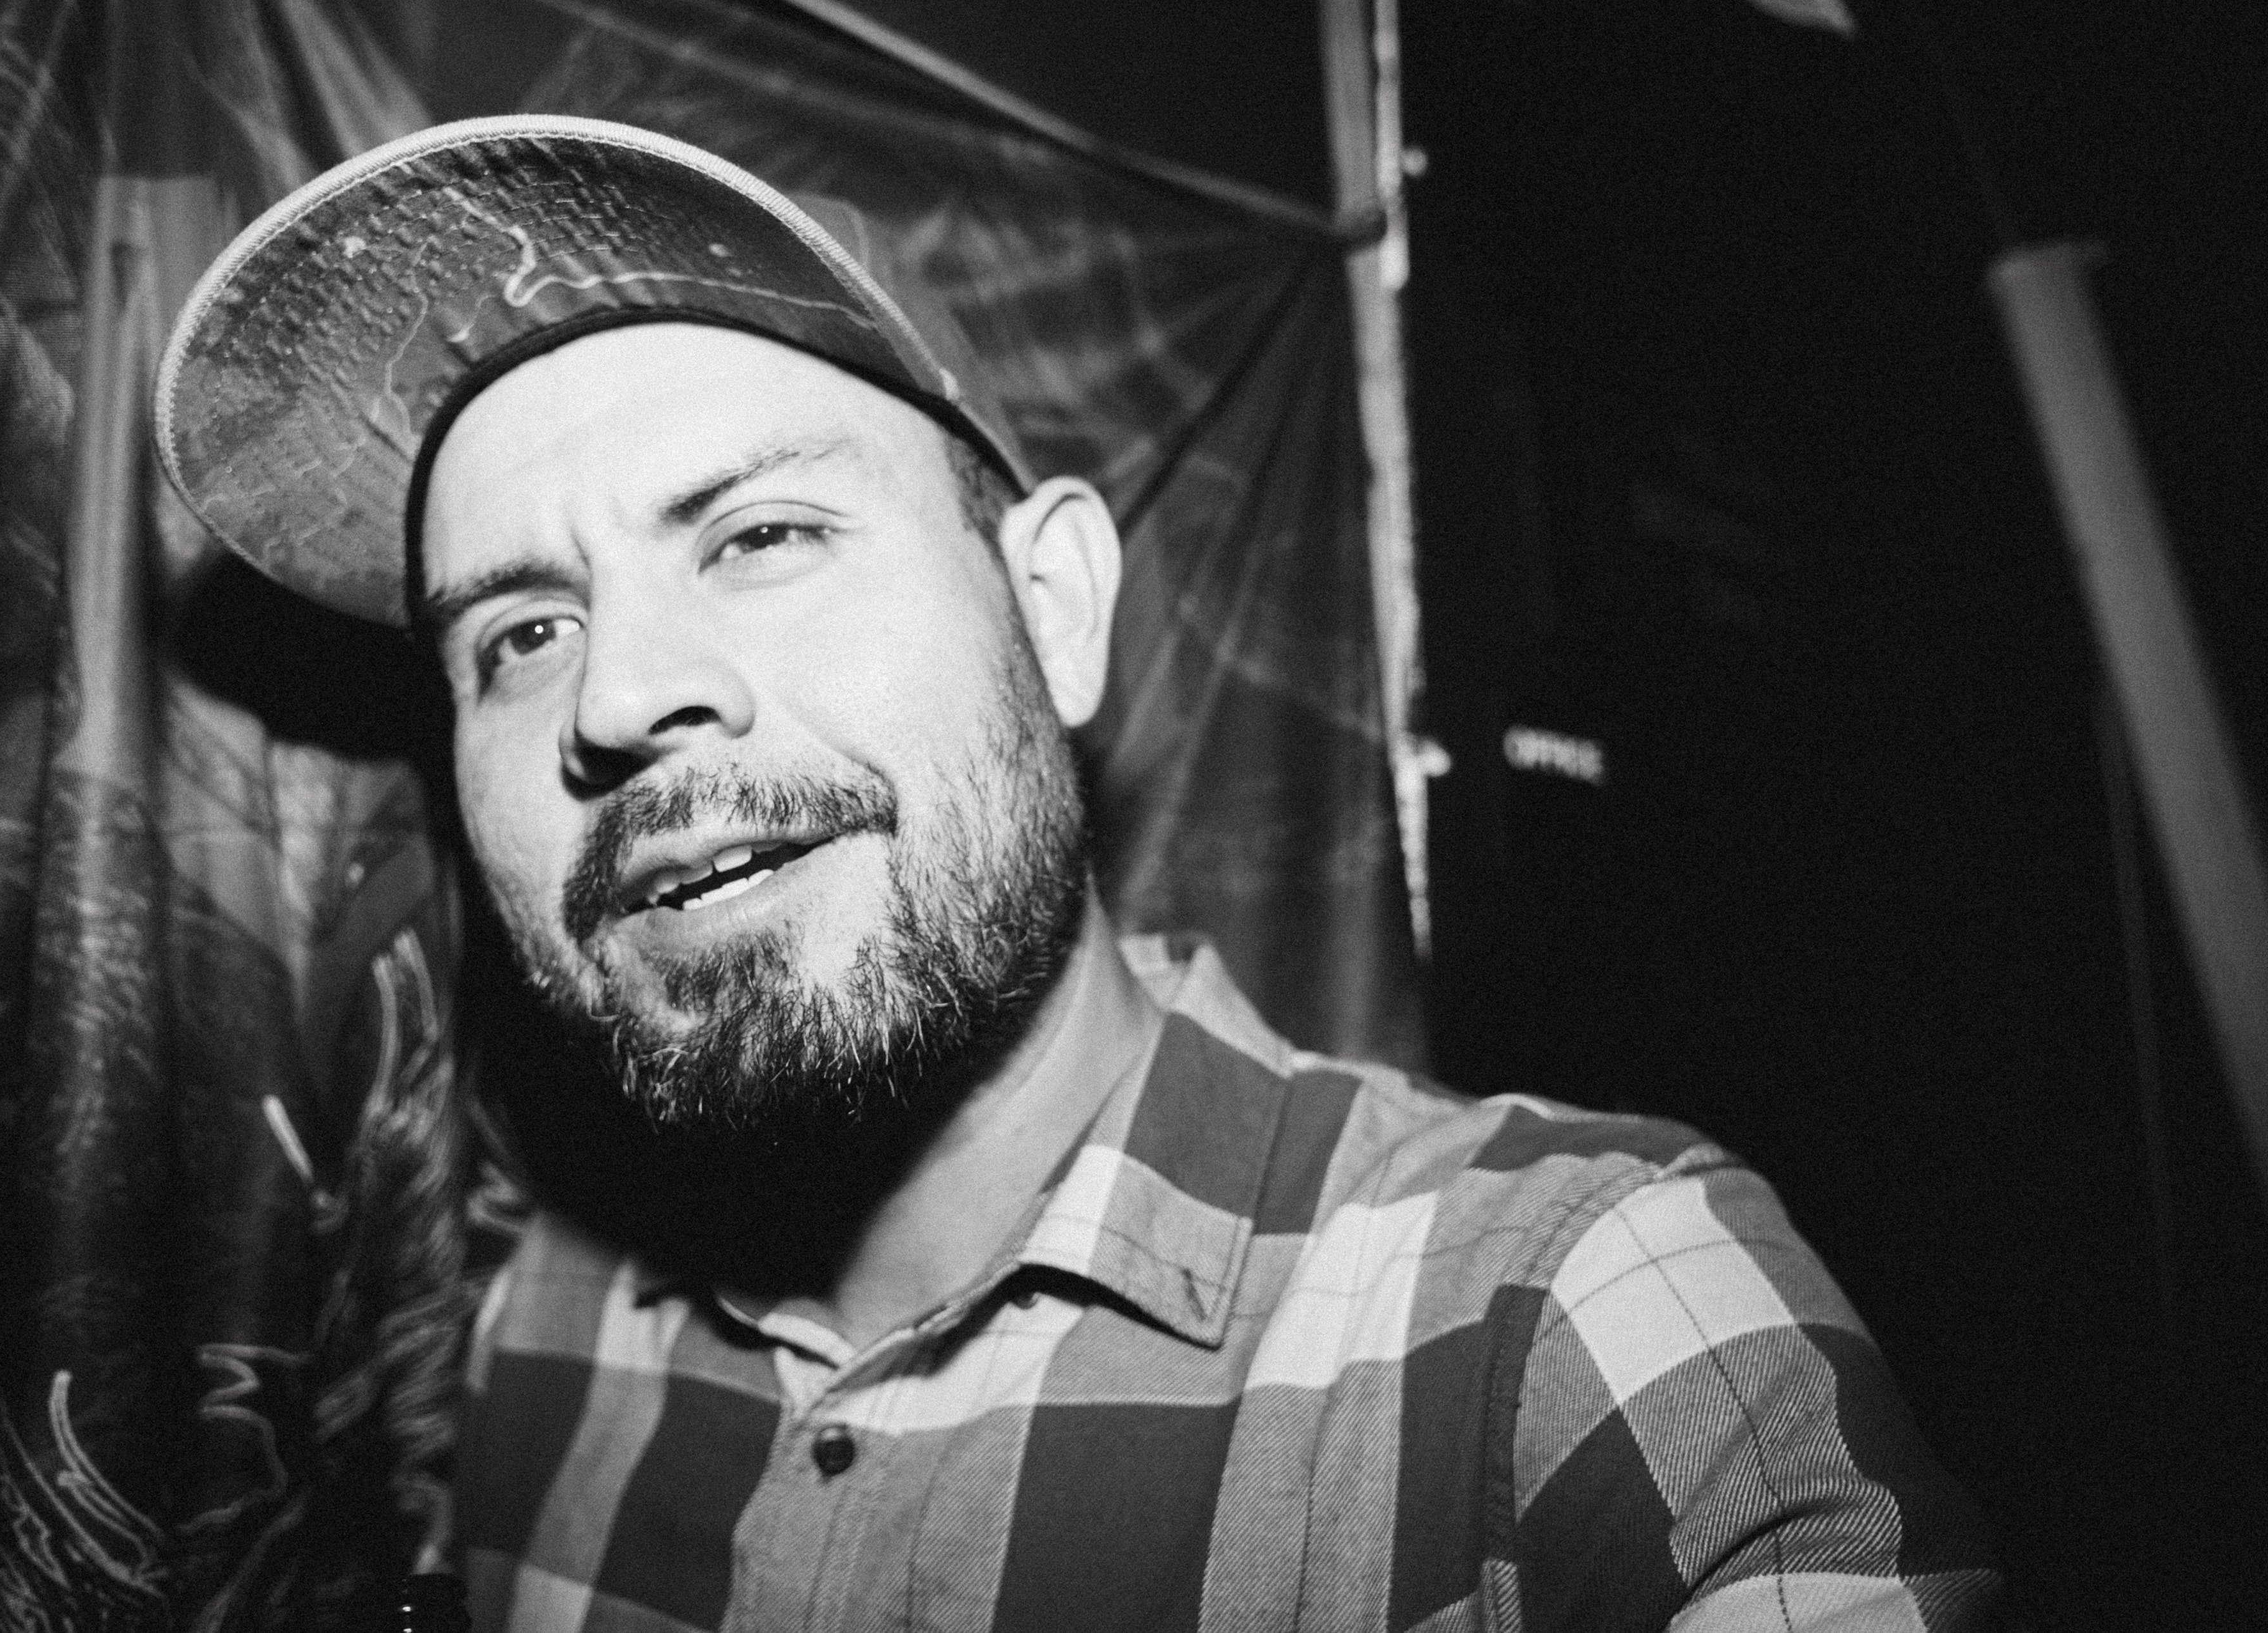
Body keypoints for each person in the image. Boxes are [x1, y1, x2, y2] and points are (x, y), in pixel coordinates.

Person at [160, 114, 1996, 1632]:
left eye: (764, 533)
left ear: (1055, 607)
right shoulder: (536, 1329)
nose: (621, 696)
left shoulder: (1572, 1317)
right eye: (519, 633)